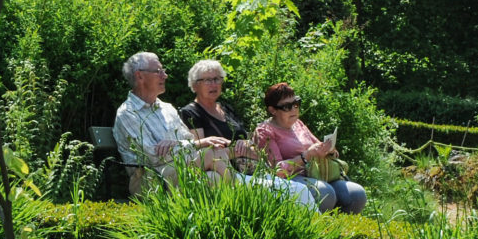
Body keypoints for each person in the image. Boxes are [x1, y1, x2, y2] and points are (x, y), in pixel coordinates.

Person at [181, 59, 317, 209]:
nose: (214, 84)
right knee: (298, 190)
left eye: (217, 79)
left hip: (253, 169)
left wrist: (247, 147)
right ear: (194, 85)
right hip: (229, 173)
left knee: (299, 189)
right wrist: (237, 151)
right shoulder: (191, 113)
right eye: (207, 80)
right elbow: (202, 153)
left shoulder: (226, 108)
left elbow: (253, 146)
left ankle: (312, 229)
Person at [112, 51, 233, 194]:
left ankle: (234, 209)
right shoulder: (128, 113)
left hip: (178, 168)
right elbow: (152, 156)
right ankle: (244, 197)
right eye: (158, 71)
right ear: (140, 76)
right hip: (150, 181)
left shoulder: (166, 108)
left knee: (213, 178)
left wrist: (175, 145)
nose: (165, 75)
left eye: (164, 71)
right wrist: (196, 143)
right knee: (212, 154)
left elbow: (187, 140)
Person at [253, 81, 367, 214]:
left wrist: (328, 150)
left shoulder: (298, 124)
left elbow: (317, 145)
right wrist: (306, 156)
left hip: (318, 174)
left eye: (296, 104)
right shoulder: (265, 131)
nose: (294, 109)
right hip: (291, 179)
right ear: (273, 110)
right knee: (325, 193)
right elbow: (276, 171)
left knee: (357, 194)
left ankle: (342, 230)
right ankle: (318, 230)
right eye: (287, 107)